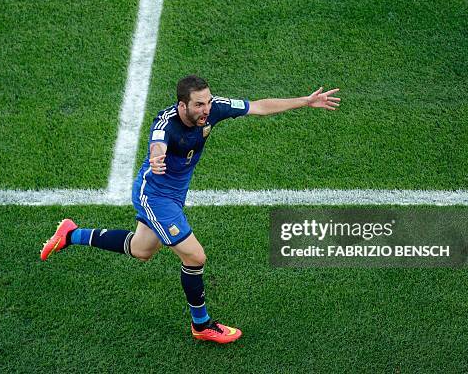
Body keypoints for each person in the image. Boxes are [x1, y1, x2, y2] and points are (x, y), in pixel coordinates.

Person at [40, 75, 340, 343]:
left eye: (208, 102)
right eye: (198, 104)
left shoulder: (213, 109)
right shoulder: (165, 122)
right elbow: (158, 143)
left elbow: (258, 106)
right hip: (154, 195)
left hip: (173, 196)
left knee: (142, 250)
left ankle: (71, 234)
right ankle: (202, 325)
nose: (206, 110)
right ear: (182, 105)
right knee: (195, 256)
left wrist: (306, 101)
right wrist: (157, 158)